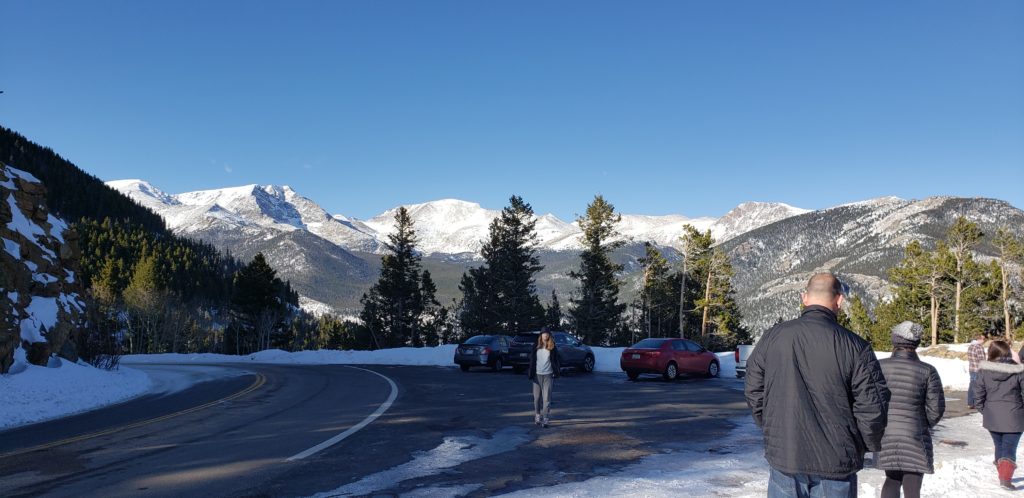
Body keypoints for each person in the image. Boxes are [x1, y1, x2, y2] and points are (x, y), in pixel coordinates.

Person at [745, 273, 890, 498]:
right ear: (839, 300)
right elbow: (873, 406)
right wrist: (864, 445)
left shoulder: (772, 338)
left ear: (805, 297)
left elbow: (754, 389)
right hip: (836, 460)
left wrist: (772, 428)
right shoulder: (855, 347)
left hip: (786, 455)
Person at [877, 321, 945, 498]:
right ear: (916, 343)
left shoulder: (879, 367)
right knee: (913, 483)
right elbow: (936, 408)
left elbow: (869, 401)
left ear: (895, 341)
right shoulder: (927, 371)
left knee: (891, 479)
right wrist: (923, 424)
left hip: (886, 434)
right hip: (915, 434)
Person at [976, 340, 1024, 490]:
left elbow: (978, 395)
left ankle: (1002, 473)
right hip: (1014, 416)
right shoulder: (1018, 371)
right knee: (1009, 447)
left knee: (999, 445)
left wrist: (985, 410)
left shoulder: (983, 371)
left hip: (992, 416)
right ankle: (1004, 479)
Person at [528, 327, 560, 428]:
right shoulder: (535, 346)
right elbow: (532, 360)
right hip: (537, 375)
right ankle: (537, 415)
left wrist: (556, 371)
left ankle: (545, 418)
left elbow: (557, 360)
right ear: (541, 335)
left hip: (548, 375)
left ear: (549, 335)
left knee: (546, 398)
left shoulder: (552, 347)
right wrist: (531, 372)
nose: (545, 335)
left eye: (547, 334)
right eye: (543, 333)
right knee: (537, 398)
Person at [967, 333, 987, 409]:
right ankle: (976, 403)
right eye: (983, 339)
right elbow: (982, 360)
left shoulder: (971, 346)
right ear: (979, 339)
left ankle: (970, 402)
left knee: (972, 385)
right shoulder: (979, 347)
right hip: (978, 369)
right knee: (978, 387)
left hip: (972, 368)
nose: (984, 340)